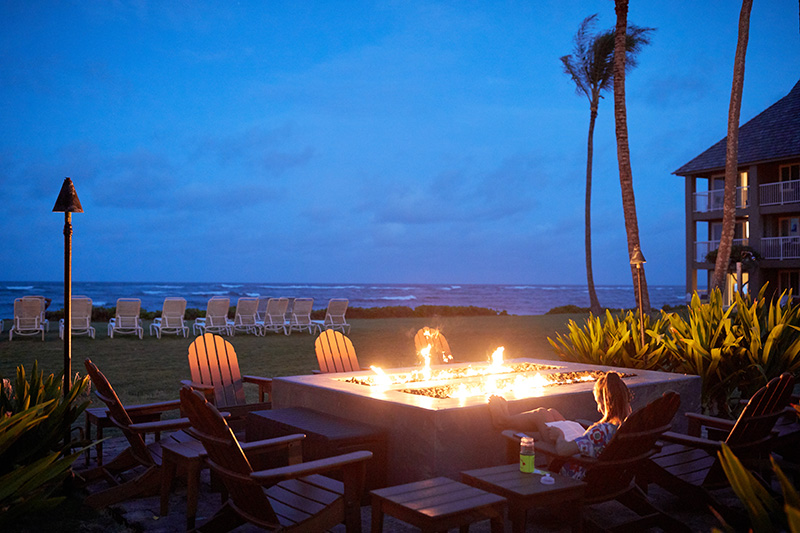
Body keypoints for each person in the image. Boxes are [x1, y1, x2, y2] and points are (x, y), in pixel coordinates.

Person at [488, 371, 632, 480]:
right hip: (597, 468)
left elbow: (563, 450)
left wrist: (560, 435)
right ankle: (511, 426)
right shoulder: (626, 426)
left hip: (573, 471)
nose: (598, 409)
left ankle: (503, 420)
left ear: (606, 401)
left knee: (541, 414)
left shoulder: (600, 432)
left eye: (598, 402)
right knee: (552, 413)